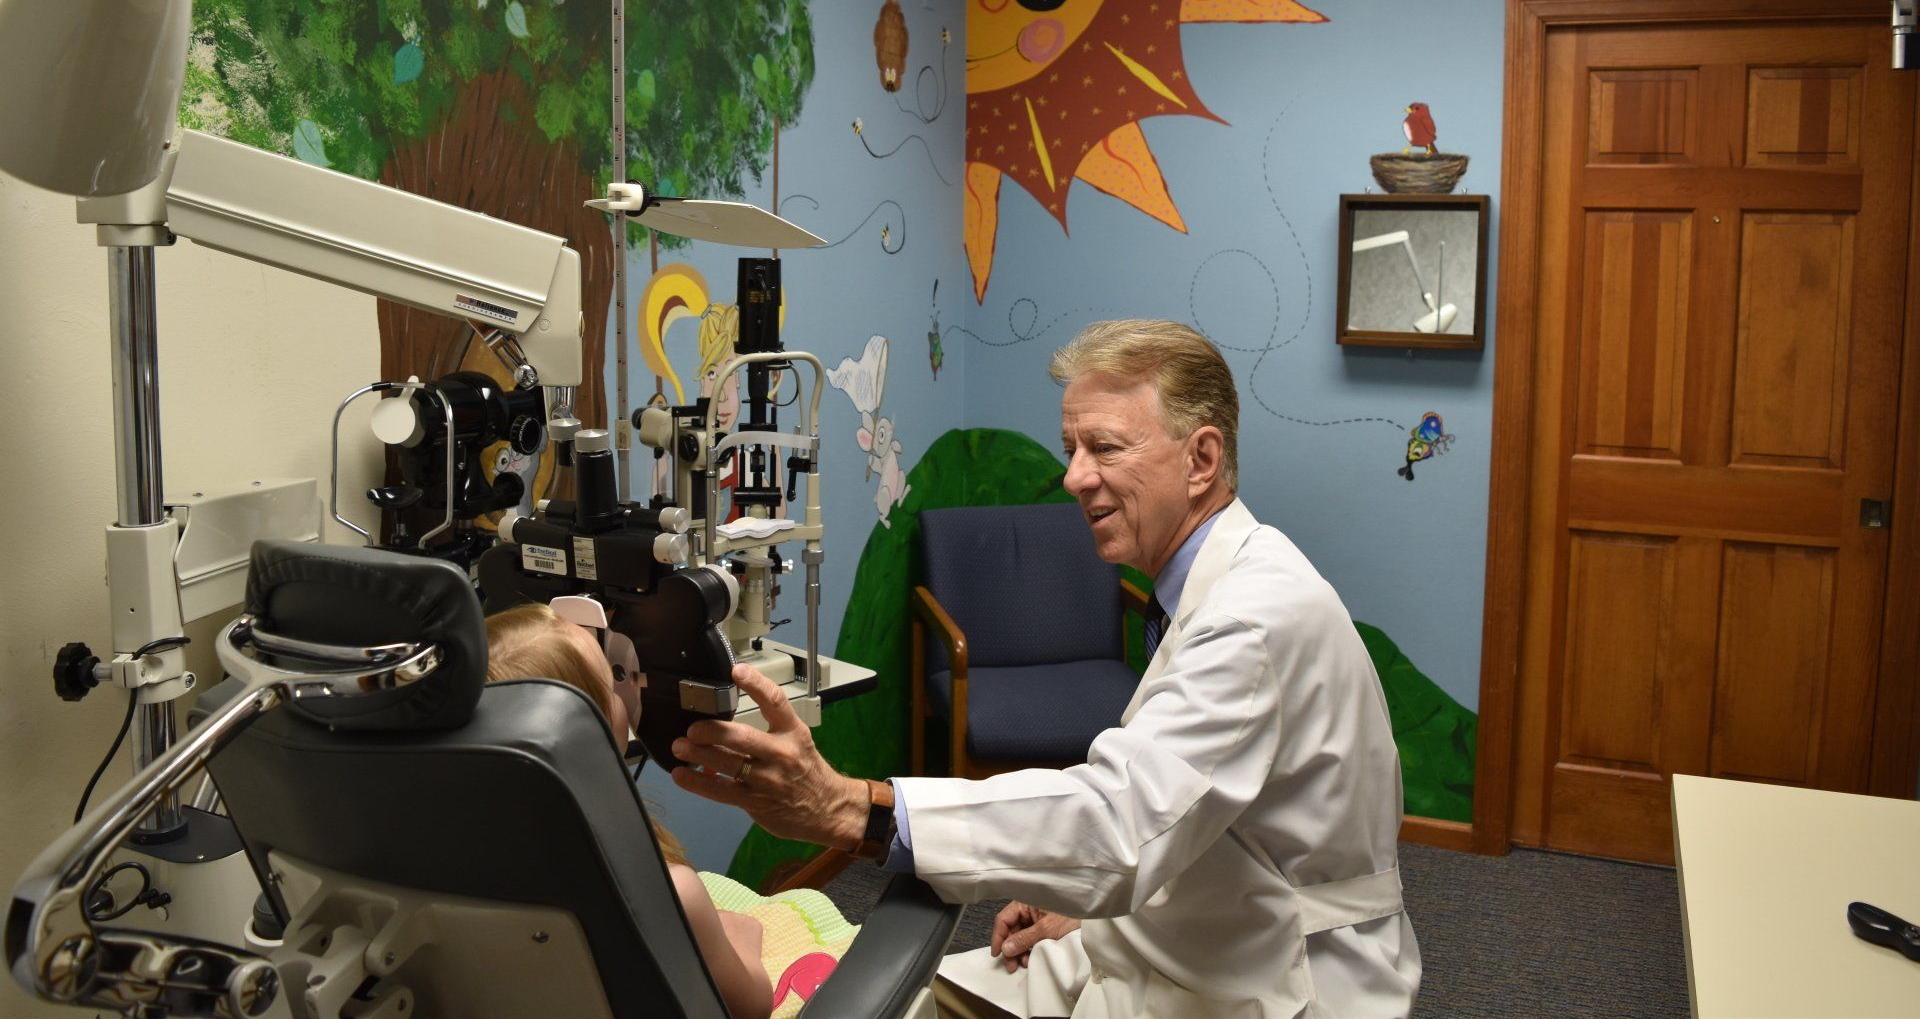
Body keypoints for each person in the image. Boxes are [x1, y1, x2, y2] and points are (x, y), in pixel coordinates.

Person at [669, 319, 1421, 1017]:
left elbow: (1120, 822)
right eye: (1071, 449)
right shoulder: (1199, 586)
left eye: (1105, 448)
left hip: (1279, 970)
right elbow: (1180, 805)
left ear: (1201, 460)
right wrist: (1085, 902)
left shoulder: (1254, 617)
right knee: (921, 1001)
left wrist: (847, 807)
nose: (1073, 478)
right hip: (1191, 919)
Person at [484, 603, 773, 1019]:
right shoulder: (670, 895)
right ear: (587, 734)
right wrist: (743, 931)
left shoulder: (464, 866)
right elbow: (750, 1008)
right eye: (611, 678)